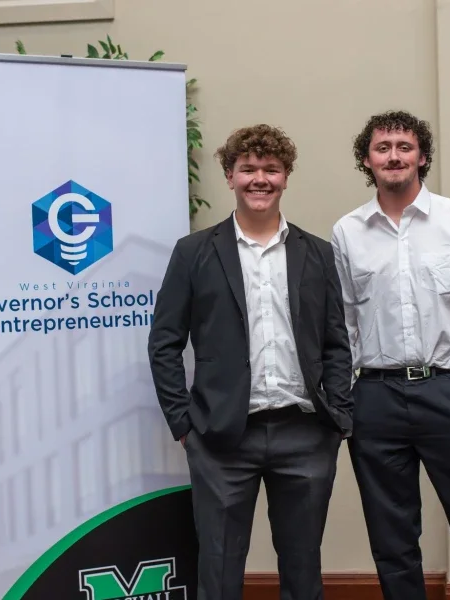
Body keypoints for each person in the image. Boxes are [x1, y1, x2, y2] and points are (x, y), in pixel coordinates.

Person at [148, 124, 353, 600]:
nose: (259, 179)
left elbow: (336, 343)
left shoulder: (318, 254)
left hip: (305, 435)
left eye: (271, 169)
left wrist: (338, 416)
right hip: (221, 439)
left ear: (286, 177)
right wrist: (184, 424)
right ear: (229, 175)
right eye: (248, 169)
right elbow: (164, 342)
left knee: (303, 573)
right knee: (218, 573)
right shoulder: (194, 252)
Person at [331, 110, 450, 600]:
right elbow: (345, 322)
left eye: (404, 146)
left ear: (421, 157)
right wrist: (348, 394)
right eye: (382, 148)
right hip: (375, 396)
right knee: (391, 537)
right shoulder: (347, 232)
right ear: (367, 160)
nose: (393, 156)